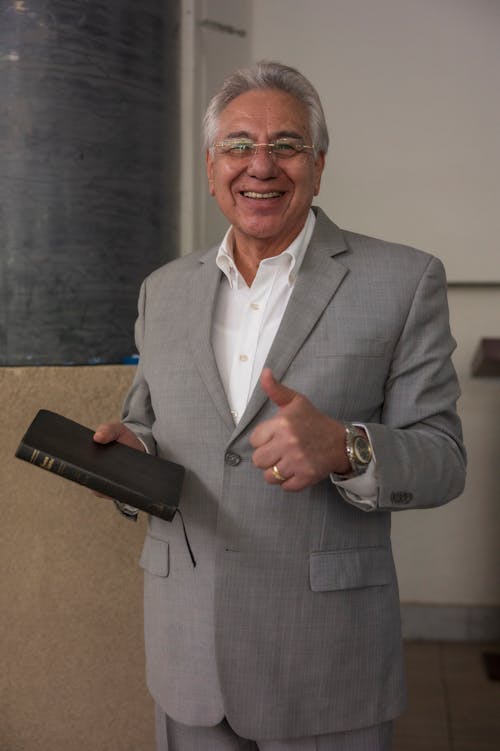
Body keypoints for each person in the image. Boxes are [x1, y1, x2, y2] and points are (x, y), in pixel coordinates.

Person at [94, 61, 466, 751]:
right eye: (237, 145)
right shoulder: (163, 290)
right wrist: (132, 455)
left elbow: (444, 457)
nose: (259, 165)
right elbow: (150, 425)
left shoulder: (404, 280)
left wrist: (345, 448)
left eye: (285, 145)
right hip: (189, 654)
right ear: (211, 167)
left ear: (318, 166)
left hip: (326, 662)